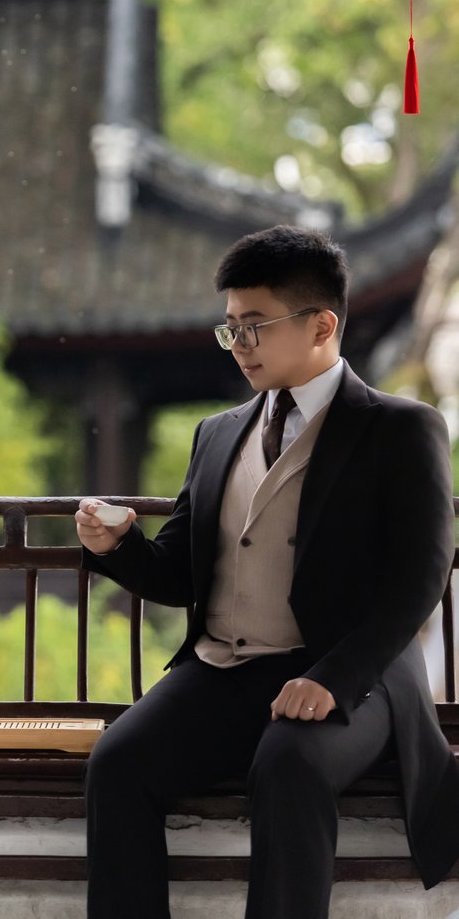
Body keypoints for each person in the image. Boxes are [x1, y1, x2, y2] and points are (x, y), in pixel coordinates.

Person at [76, 225, 459, 919]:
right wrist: (117, 547)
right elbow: (177, 575)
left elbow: (419, 577)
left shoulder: (401, 429)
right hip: (225, 669)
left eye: (254, 326)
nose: (238, 346)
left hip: (353, 677)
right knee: (117, 764)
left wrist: (331, 679)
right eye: (229, 329)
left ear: (321, 325)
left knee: (286, 767)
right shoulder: (217, 433)